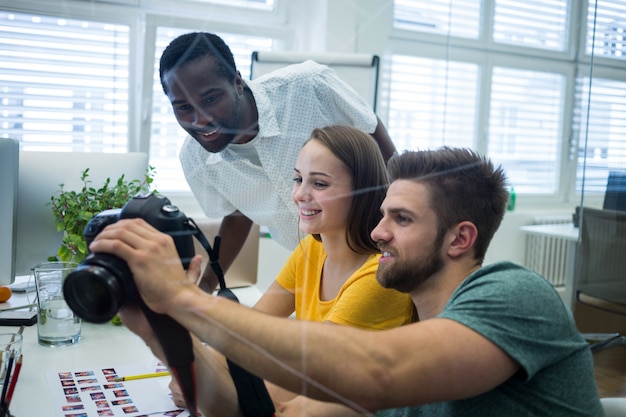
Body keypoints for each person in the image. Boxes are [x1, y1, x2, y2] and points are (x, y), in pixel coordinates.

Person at [95, 147, 603, 416]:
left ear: (459, 239)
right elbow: (240, 405)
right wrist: (155, 326)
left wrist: (185, 298)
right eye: (383, 215)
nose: (377, 232)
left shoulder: (513, 293)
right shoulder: (404, 341)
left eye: (401, 219)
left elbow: (376, 372)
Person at [168, 125, 415, 415]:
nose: (299, 194)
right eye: (298, 179)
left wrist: (207, 381)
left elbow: (295, 383)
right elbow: (249, 330)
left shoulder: (377, 278)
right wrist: (200, 368)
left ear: (362, 191)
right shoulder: (312, 248)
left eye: (319, 184)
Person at [159, 32, 396, 292]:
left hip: (375, 247)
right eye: (183, 108)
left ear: (237, 82)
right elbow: (238, 216)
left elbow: (376, 137)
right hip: (311, 263)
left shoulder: (310, 85)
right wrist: (205, 287)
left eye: (211, 99)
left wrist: (402, 229)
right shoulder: (196, 159)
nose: (200, 120)